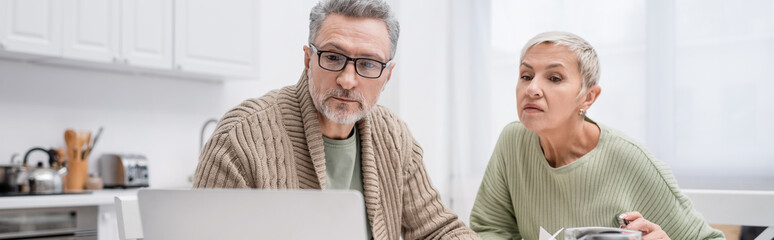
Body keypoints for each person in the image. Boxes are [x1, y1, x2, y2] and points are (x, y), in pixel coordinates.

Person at [193, 0, 480, 239]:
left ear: (387, 75)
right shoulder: (240, 136)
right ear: (308, 60)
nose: (347, 80)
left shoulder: (394, 136)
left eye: (368, 64)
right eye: (332, 58)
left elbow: (438, 230)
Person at [469, 31, 724, 240]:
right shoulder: (513, 142)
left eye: (554, 78)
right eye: (526, 75)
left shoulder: (630, 160)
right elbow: (490, 229)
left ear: (588, 97)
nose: (532, 88)